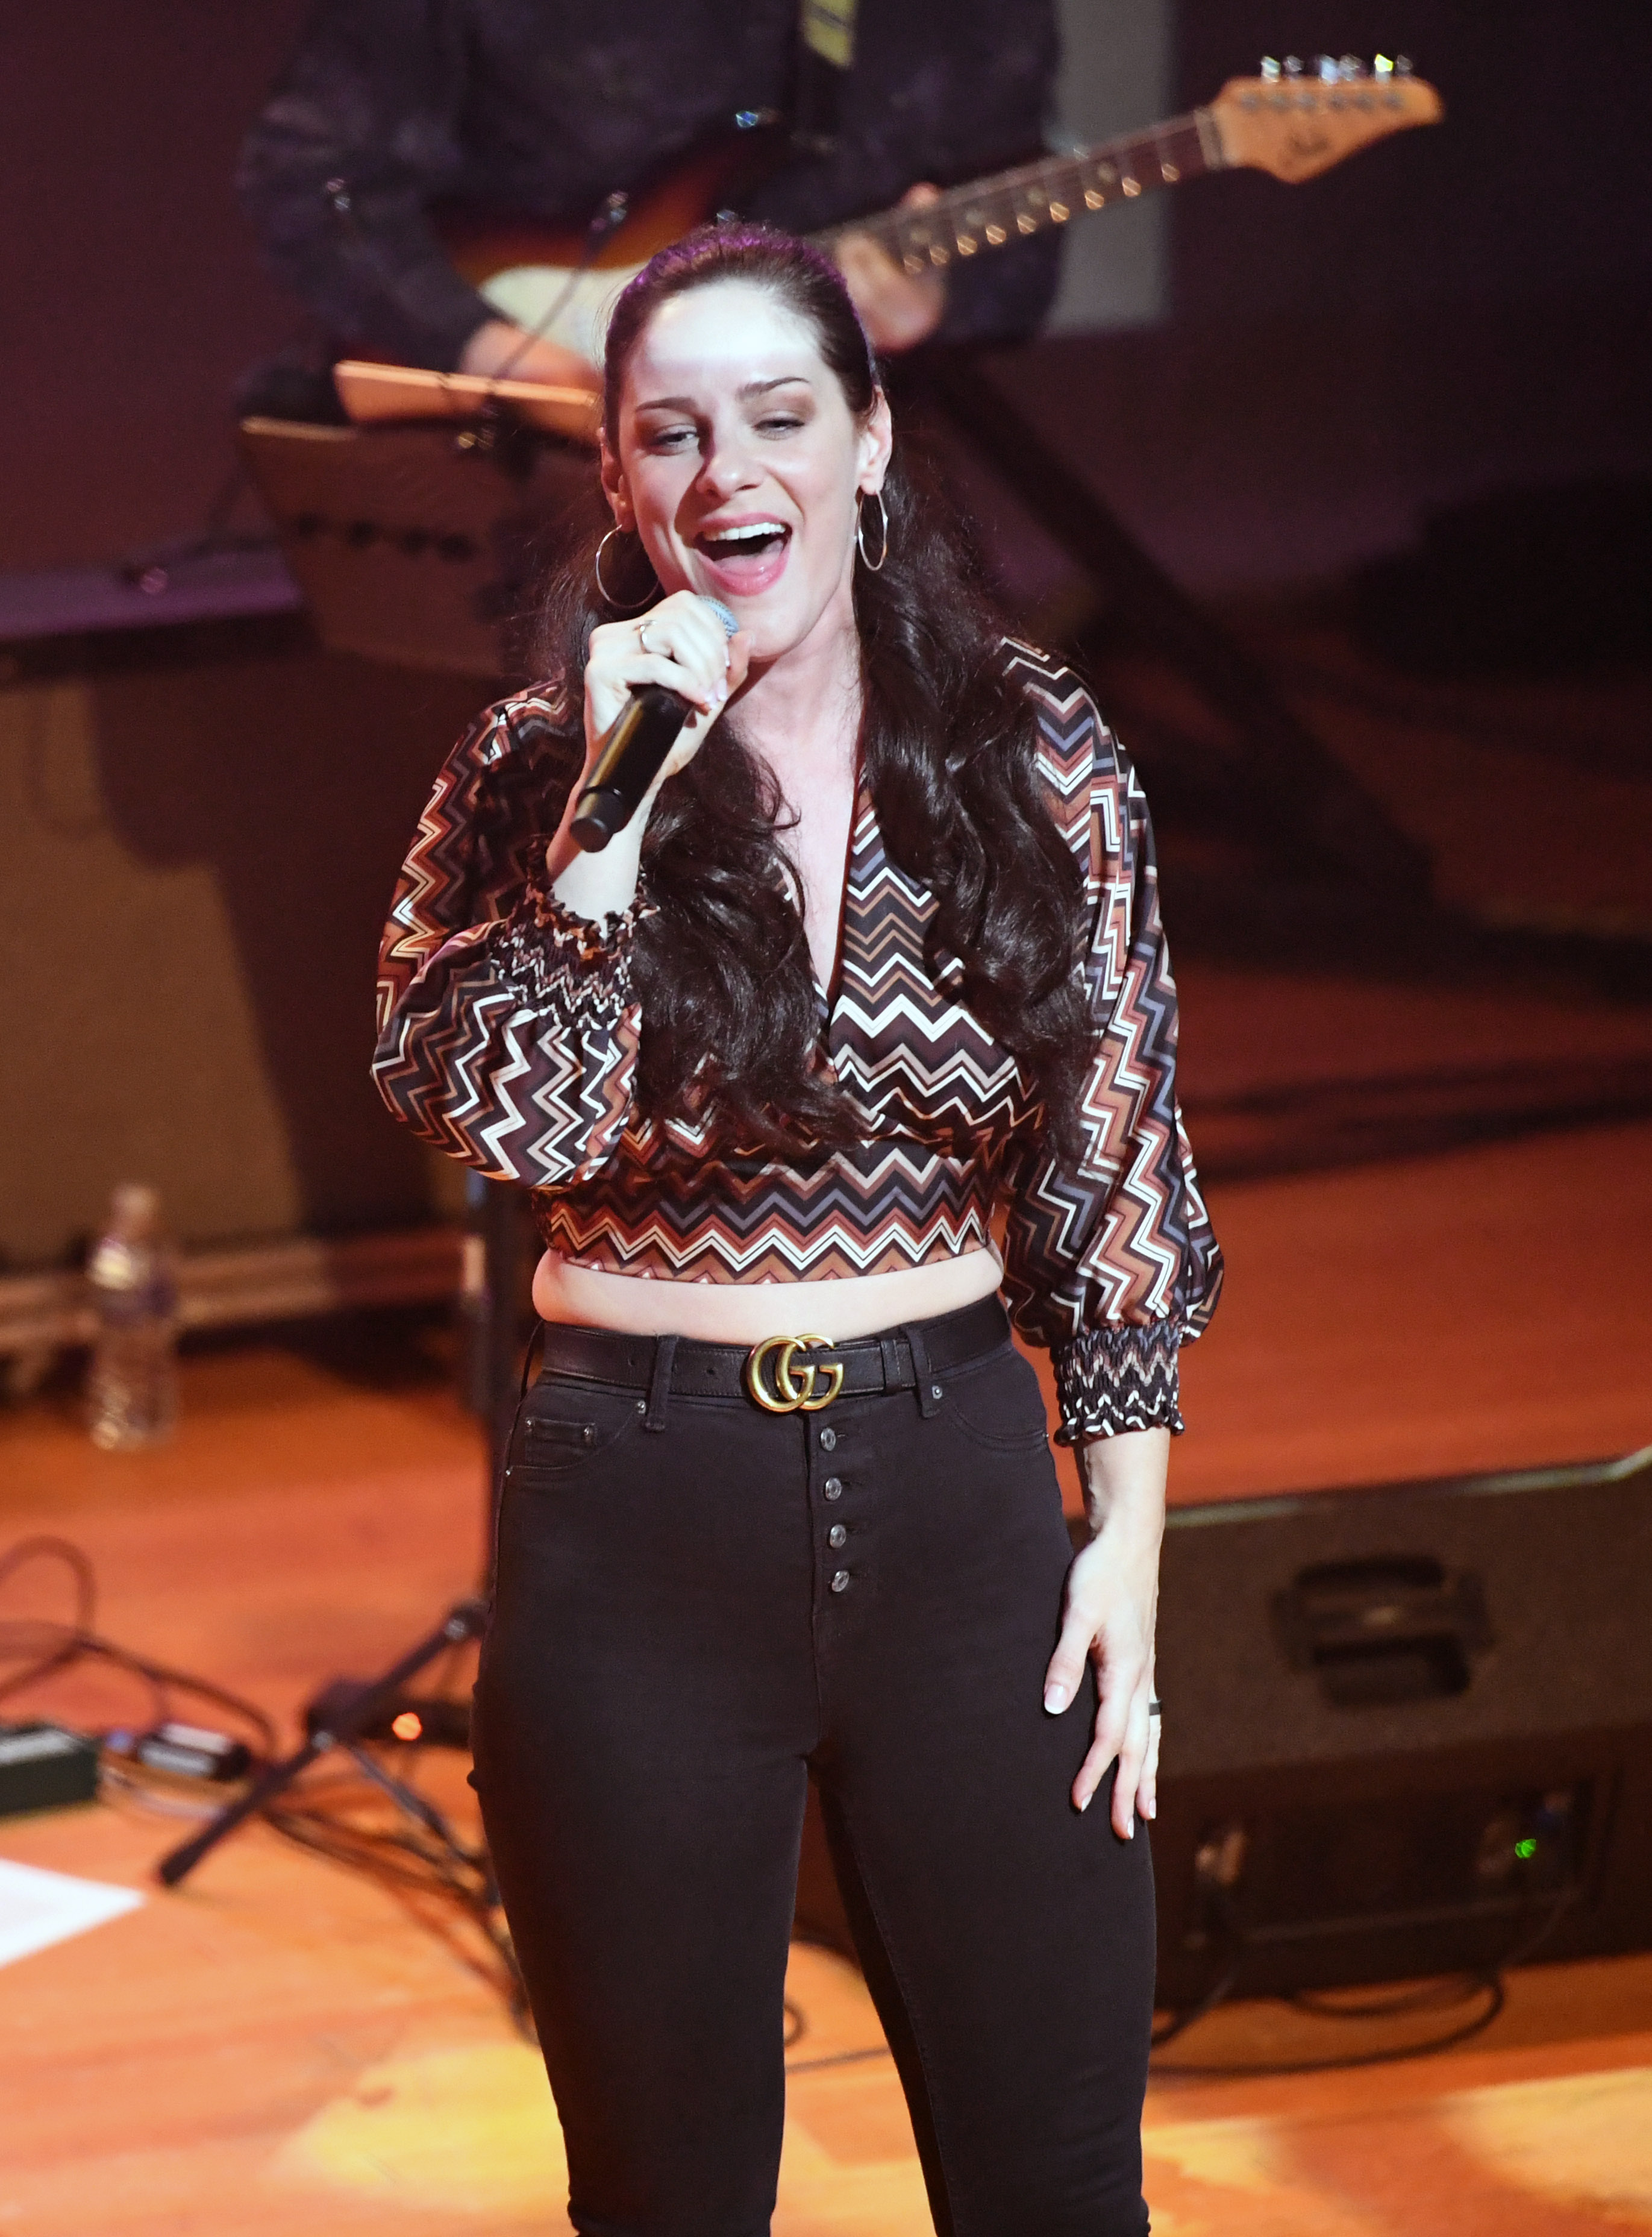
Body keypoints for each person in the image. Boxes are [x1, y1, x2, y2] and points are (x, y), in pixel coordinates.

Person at [370, 224, 1219, 2235]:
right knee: (666, 2201)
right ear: (615, 480)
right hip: (631, 1529)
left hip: (954, 1511)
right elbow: (489, 1110)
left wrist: (1127, 1543)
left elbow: (1113, 1162)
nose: (724, 471)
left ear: (868, 441)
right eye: (668, 433)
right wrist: (607, 823)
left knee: (1056, 2187)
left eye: (773, 416)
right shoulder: (528, 775)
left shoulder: (1031, 752)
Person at [236, 0, 1063, 399]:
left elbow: (1020, 241)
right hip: (511, 468)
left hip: (828, 482)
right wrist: (497, 355)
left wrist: (941, 304)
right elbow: (310, 179)